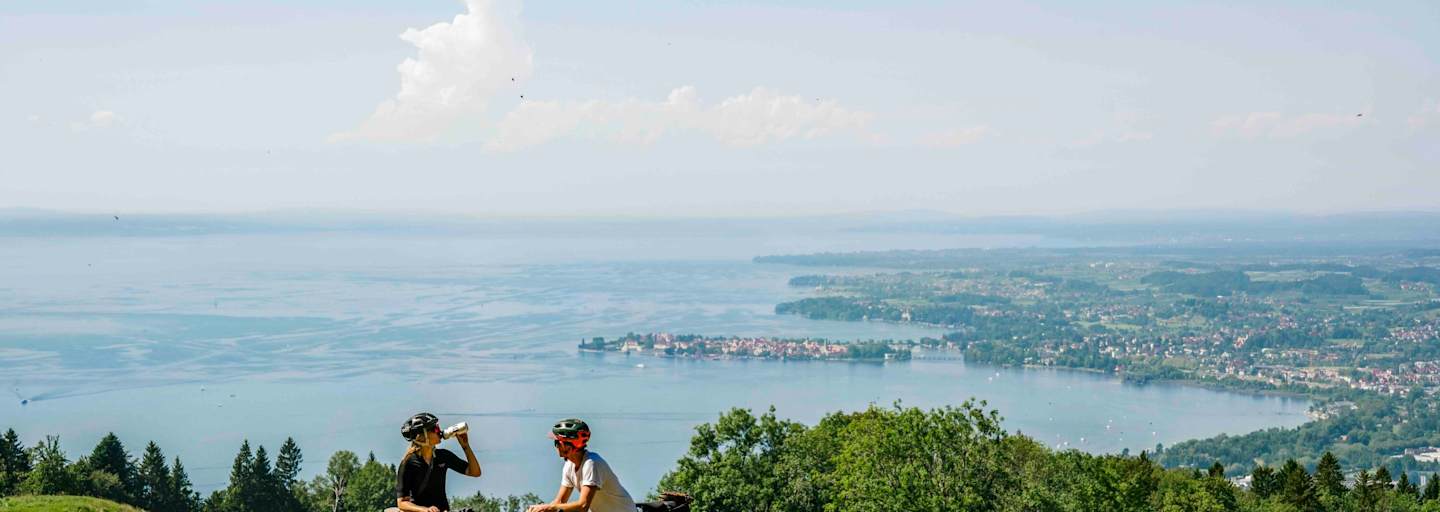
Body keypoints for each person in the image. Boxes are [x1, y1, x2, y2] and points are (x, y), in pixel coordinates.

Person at [528, 418, 636, 512]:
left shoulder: (592, 464)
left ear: (568, 447)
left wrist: (550, 508)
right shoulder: (569, 466)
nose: (555, 446)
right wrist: (541, 509)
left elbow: (583, 506)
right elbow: (559, 502)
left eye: (556, 442)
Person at [392, 412, 482, 512]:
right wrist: (426, 510)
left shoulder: (443, 456)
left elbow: (475, 472)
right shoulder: (408, 463)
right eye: (435, 429)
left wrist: (465, 446)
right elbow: (402, 503)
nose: (439, 431)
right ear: (422, 436)